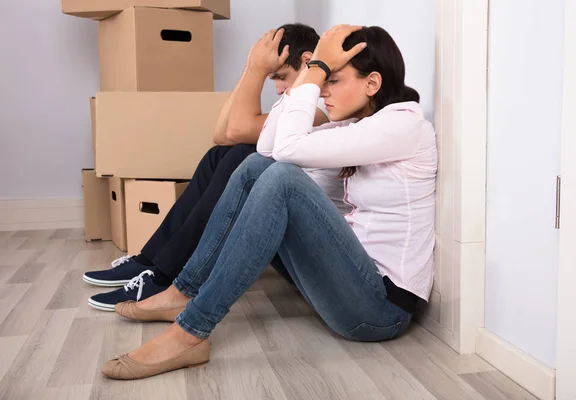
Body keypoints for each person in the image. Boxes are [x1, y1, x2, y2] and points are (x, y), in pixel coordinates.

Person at [100, 24, 438, 380]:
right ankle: (183, 291)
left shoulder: (403, 127)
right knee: (258, 166)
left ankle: (191, 331)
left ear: (372, 84)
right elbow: (268, 148)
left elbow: (288, 152)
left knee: (283, 179)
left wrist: (316, 68)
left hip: (379, 309)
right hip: (343, 285)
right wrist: (312, 70)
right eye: (323, 81)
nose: (322, 92)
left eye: (332, 81)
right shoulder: (354, 126)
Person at [83, 24, 348, 311]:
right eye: (273, 78)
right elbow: (221, 135)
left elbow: (235, 131)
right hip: (284, 225)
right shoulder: (297, 102)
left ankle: (164, 276)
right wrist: (250, 68)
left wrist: (258, 71)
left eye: (281, 77)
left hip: (310, 242)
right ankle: (149, 262)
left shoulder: (323, 107)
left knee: (243, 155)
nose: (279, 88)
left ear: (308, 62)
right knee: (218, 155)